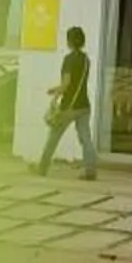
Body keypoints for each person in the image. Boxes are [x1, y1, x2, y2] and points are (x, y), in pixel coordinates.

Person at [35, 26, 97, 179]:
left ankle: (42, 167)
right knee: (85, 139)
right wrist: (56, 89)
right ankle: (90, 170)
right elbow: (77, 83)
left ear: (69, 41)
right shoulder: (86, 60)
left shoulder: (69, 59)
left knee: (53, 137)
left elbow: (66, 84)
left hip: (69, 106)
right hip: (84, 106)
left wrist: (55, 96)